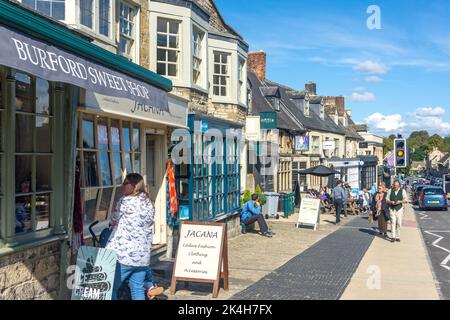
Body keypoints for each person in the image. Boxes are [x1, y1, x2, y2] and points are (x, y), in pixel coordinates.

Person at [107, 173, 157, 300]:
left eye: (125, 183)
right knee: (137, 289)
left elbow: (113, 219)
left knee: (110, 287)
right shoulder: (148, 203)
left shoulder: (125, 201)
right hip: (142, 257)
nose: (122, 186)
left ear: (134, 186)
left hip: (125, 256)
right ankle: (150, 288)